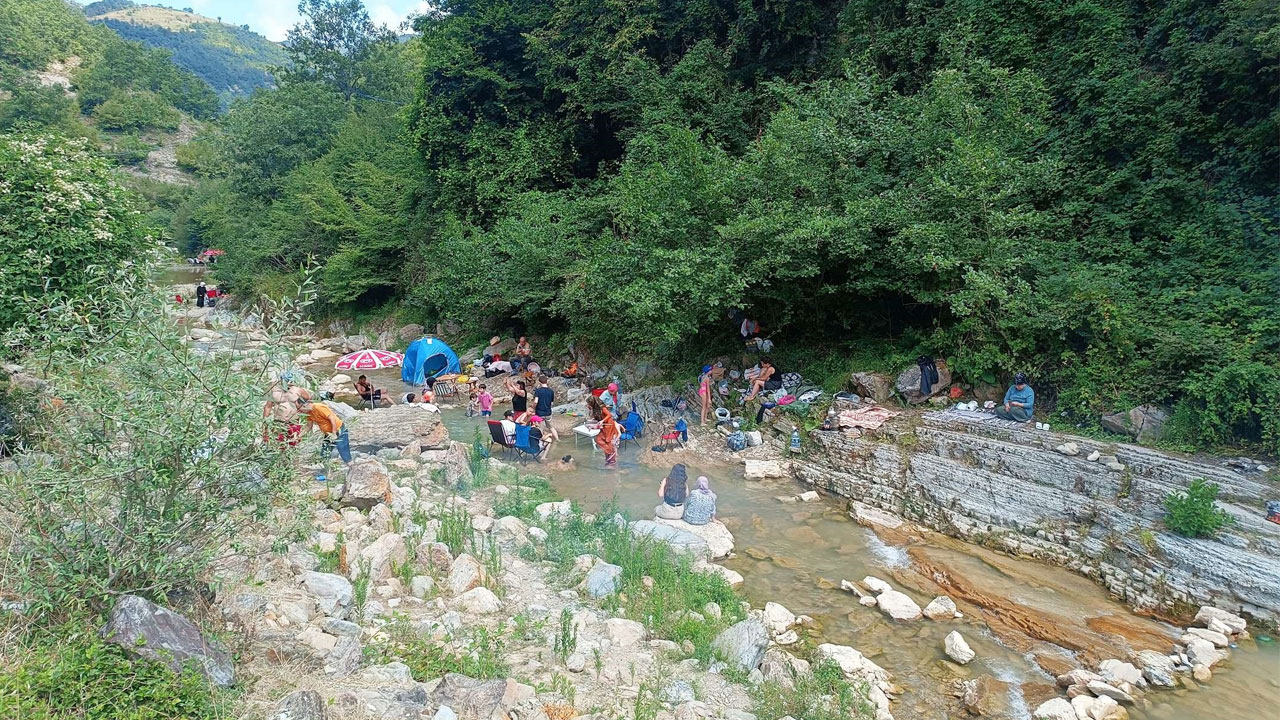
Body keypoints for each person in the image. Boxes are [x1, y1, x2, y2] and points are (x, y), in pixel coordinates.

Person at [299, 399, 350, 463]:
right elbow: (308, 427)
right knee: (324, 453)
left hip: (338, 430)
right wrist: (298, 436)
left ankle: (351, 466)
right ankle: (326, 467)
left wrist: (334, 433)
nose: (301, 412)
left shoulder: (319, 407)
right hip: (328, 434)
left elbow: (332, 418)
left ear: (304, 405)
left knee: (343, 451)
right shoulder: (309, 413)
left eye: (300, 410)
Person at [587, 395, 619, 467]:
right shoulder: (595, 409)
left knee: (608, 440)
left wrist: (602, 421)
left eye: (589, 403)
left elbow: (609, 415)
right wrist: (592, 422)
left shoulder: (602, 408)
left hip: (609, 425)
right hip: (604, 426)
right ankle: (609, 454)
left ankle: (611, 460)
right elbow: (598, 418)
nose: (588, 405)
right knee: (598, 439)